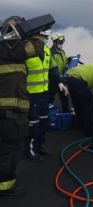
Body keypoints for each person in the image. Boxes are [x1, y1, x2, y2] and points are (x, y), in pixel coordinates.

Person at [0, 16, 45, 196]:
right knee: (9, 149)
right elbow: (35, 47)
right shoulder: (8, 48)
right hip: (9, 113)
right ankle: (5, 186)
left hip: (7, 111)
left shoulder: (7, 50)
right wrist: (33, 31)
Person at [24, 29, 68, 162]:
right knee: (33, 124)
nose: (45, 39)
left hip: (44, 92)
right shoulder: (26, 51)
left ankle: (39, 145)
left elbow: (52, 68)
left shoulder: (47, 51)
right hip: (31, 94)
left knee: (44, 122)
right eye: (44, 36)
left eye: (46, 37)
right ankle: (30, 150)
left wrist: (60, 81)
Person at [65, 64, 93, 137]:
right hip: (78, 79)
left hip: (69, 77)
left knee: (78, 102)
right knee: (90, 104)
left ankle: (80, 124)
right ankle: (90, 131)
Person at [49, 32, 70, 112]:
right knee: (50, 96)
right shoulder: (51, 52)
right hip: (53, 79)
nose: (61, 44)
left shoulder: (62, 52)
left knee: (64, 96)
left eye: (62, 42)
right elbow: (53, 66)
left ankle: (66, 111)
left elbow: (63, 62)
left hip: (61, 78)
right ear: (54, 43)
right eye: (60, 42)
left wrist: (69, 60)